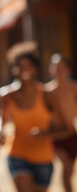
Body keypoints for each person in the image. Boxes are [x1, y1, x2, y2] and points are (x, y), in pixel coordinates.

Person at [0, 44, 72, 192]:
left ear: (35, 68)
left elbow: (65, 129)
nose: (24, 69)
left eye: (28, 65)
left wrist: (45, 134)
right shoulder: (6, 95)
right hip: (16, 153)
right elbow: (0, 118)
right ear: (13, 69)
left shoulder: (47, 95)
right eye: (19, 66)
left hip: (43, 158)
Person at [45, 53, 77, 192]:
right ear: (51, 69)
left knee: (69, 172)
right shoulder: (46, 91)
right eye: (56, 67)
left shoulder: (74, 89)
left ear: (68, 70)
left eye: (62, 67)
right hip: (56, 136)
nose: (59, 70)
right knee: (67, 166)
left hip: (72, 134)